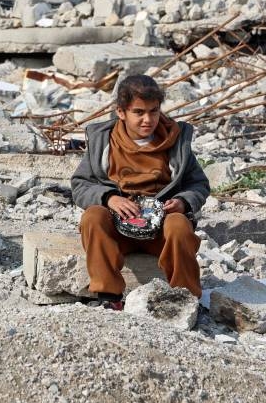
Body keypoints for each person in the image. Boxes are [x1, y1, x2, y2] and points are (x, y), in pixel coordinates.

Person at [71, 74, 210, 309]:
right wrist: (109, 198)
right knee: (93, 217)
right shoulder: (103, 142)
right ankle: (109, 297)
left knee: (178, 225)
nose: (148, 120)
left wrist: (182, 203)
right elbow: (81, 184)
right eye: (139, 112)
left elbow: (198, 184)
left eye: (154, 111)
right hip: (118, 226)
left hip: (160, 230)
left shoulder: (176, 142)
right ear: (121, 112)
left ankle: (185, 299)